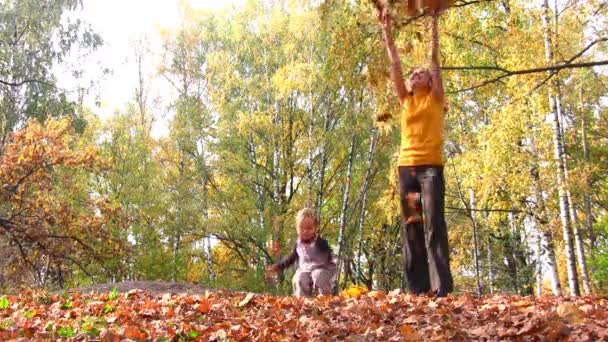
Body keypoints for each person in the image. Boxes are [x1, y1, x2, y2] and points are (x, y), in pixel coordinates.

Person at [377, 4, 454, 297]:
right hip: (408, 171)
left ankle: (441, 288)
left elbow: (434, 62)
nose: (415, 75)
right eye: (414, 74)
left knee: (434, 224)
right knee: (412, 225)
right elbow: (395, 64)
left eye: (420, 73)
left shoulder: (435, 99)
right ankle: (417, 288)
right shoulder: (406, 101)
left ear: (431, 81)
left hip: (430, 169)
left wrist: (433, 23)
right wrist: (386, 30)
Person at [266, 208, 336, 297]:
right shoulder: (298, 244)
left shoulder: (320, 242)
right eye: (302, 229)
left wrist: (331, 265)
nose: (305, 231)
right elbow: (290, 258)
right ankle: (303, 300)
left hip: (320, 268)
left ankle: (325, 297)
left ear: (315, 228)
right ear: (297, 229)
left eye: (309, 228)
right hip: (305, 269)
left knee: (319, 276)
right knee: (299, 277)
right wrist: (279, 266)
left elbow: (330, 254)